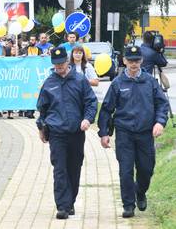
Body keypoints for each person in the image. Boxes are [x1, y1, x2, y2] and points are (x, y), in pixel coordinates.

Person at [98, 46, 169, 218]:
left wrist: (160, 122)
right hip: (124, 134)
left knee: (146, 169)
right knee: (126, 170)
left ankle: (140, 192)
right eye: (130, 60)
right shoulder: (117, 83)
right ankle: (128, 205)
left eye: (137, 60)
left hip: (145, 133)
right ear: (124, 61)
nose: (134, 64)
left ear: (141, 61)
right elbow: (106, 109)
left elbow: (162, 104)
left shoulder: (150, 82)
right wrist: (104, 133)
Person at [36, 46, 98, 219]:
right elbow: (42, 109)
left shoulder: (80, 80)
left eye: (62, 64)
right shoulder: (49, 82)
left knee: (74, 168)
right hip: (56, 133)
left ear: (67, 62)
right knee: (60, 169)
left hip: (76, 132)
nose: (59, 67)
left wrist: (87, 119)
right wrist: (41, 127)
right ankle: (62, 206)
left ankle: (70, 201)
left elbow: (91, 103)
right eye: (56, 65)